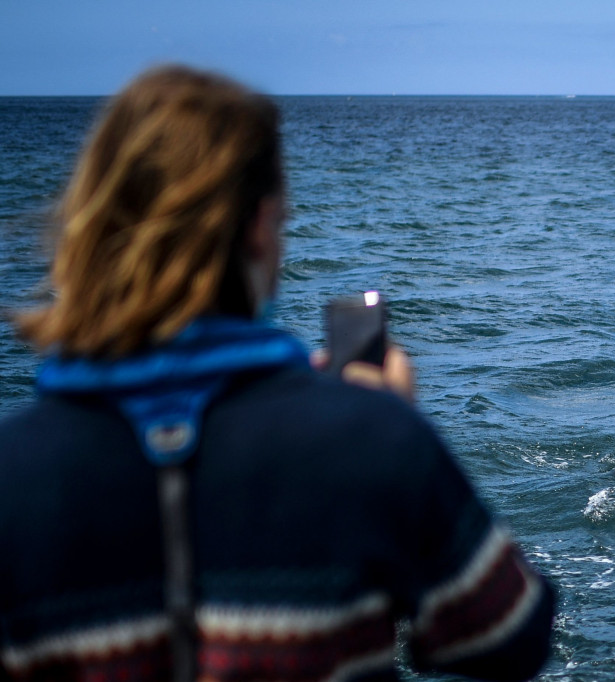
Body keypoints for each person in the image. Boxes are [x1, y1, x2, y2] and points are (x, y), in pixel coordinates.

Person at [0, 65, 554, 682]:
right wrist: (392, 427)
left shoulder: (12, 471)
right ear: (262, 228)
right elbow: (510, 637)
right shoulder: (370, 439)